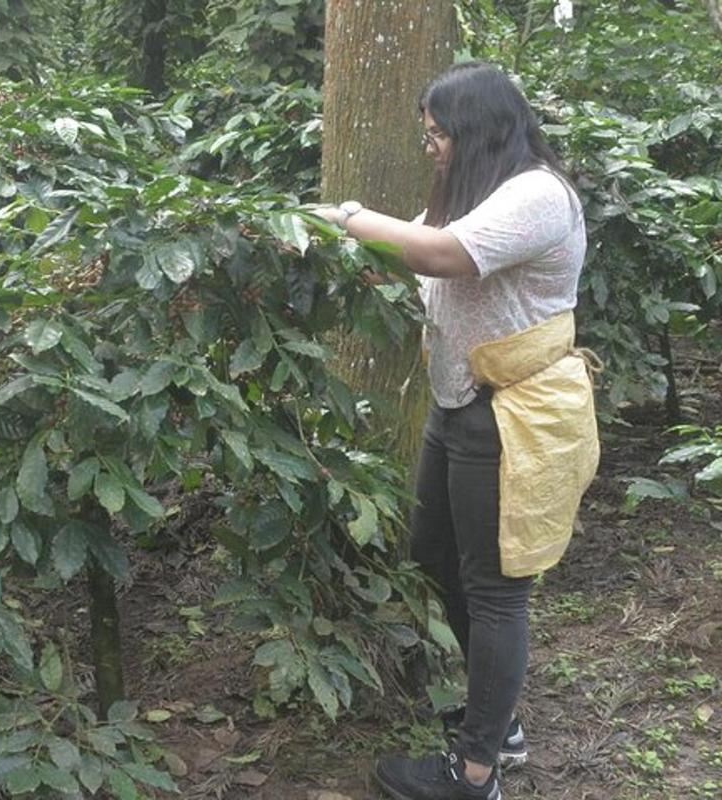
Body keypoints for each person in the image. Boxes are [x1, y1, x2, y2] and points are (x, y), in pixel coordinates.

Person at [316, 62, 597, 800]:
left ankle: (477, 771)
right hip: (461, 406)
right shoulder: (475, 196)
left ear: (477, 130)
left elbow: (443, 256)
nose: (431, 146)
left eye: (439, 133)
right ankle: (492, 719)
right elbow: (413, 248)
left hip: (509, 414)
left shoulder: (537, 193)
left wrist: (341, 214)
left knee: (497, 588)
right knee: (435, 554)